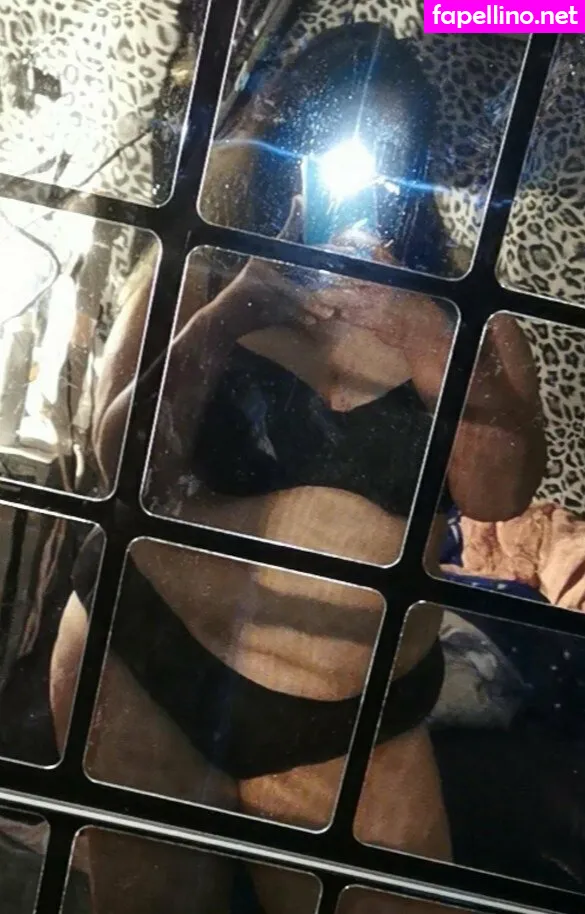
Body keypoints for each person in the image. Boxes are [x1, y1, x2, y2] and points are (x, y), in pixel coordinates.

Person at [50, 23, 545, 914]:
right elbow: (121, 461)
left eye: (390, 152)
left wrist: (421, 338)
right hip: (146, 657)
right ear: (282, 141)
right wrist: (235, 310)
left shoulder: (470, 313)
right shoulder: (198, 266)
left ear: (415, 167)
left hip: (354, 721)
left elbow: (498, 494)